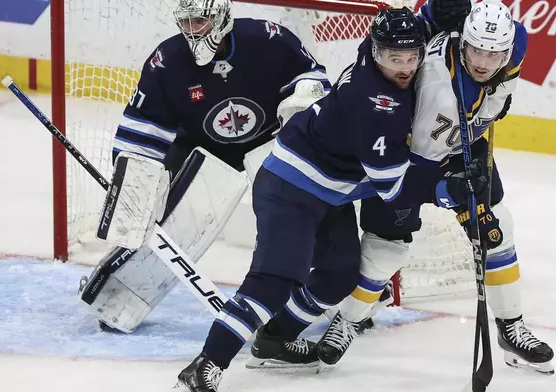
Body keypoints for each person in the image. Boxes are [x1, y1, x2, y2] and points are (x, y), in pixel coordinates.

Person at [175, 8, 430, 392]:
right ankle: (206, 364)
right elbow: (392, 188)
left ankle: (274, 339)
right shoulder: (376, 104)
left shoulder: (372, 56)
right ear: (376, 53)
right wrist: (448, 188)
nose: (406, 67)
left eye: (413, 57)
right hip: (289, 190)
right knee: (274, 281)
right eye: (396, 58)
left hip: (328, 189)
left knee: (340, 275)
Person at [316, 0, 555, 376]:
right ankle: (349, 320)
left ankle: (511, 326)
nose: (482, 62)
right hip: (413, 157)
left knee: (497, 228)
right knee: (386, 247)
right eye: (475, 51)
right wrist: (450, 194)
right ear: (462, 45)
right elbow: (421, 169)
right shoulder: (436, 86)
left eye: (494, 55)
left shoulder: (516, 45)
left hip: (466, 145)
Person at [77, 0, 332, 334]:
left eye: (201, 21)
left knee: (302, 213)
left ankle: (337, 291)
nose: (193, 30)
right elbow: (144, 127)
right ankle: (120, 297)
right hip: (199, 145)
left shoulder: (267, 39)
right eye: (187, 22)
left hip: (268, 143)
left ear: (222, 17)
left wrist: (301, 101)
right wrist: (134, 179)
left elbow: (312, 79)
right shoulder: (166, 61)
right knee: (162, 221)